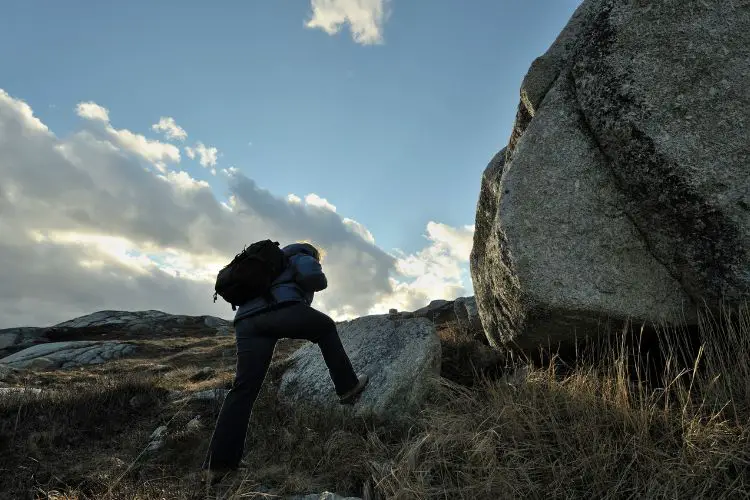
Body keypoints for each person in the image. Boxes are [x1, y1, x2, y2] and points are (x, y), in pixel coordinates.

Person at [202, 241, 369, 482]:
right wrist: (314, 265)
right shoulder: (301, 255)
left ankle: (218, 466)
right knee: (325, 327)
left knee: (244, 390)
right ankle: (347, 387)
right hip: (280, 310)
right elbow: (315, 280)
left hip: (246, 322)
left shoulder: (269, 263)